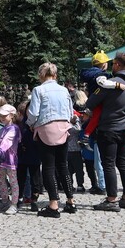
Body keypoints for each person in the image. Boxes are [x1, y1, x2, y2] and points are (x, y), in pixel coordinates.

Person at [86, 51, 125, 212]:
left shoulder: (110, 83)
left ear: (117, 65)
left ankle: (111, 199)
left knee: (108, 164)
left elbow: (91, 102)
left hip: (109, 127)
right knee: (123, 163)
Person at [27, 62, 76, 218]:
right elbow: (70, 111)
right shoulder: (64, 90)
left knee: (48, 167)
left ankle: (53, 204)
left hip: (47, 128)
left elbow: (33, 113)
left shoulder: (38, 90)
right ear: (55, 75)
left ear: (41, 75)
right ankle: (70, 201)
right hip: (64, 126)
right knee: (63, 165)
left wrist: (30, 124)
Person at [0, 104, 21, 214]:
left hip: (11, 159)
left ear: (12, 115)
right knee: (0, 181)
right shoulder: (2, 129)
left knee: (13, 181)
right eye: (1, 115)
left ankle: (14, 204)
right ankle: (5, 201)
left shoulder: (14, 129)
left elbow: (7, 141)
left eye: (5, 115)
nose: (2, 117)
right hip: (1, 160)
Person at [16, 99, 43, 212]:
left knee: (35, 178)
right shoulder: (20, 123)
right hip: (22, 154)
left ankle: (34, 199)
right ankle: (19, 198)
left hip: (35, 153)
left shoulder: (39, 123)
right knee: (21, 178)